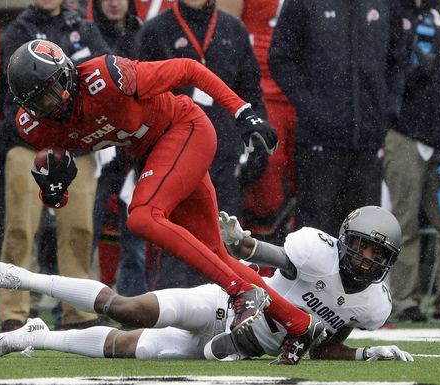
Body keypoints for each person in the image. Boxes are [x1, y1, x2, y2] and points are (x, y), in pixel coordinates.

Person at [5, 39, 324, 362]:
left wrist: (242, 112)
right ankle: (297, 323)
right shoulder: (35, 126)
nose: (52, 102)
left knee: (142, 216)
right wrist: (53, 189)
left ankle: (243, 293)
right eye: (40, 100)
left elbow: (189, 68)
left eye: (53, 88)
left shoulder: (108, 77)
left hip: (185, 128)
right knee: (216, 255)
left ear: (68, 73)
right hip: (158, 153)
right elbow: (58, 194)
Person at [0, 206, 413, 364]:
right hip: (227, 305)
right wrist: (244, 244)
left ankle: (37, 337)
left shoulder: (372, 305)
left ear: (387, 262)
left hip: (243, 348)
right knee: (129, 309)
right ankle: (22, 277)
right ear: (341, 241)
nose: (364, 259)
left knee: (130, 348)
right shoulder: (314, 252)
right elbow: (277, 259)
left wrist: (364, 353)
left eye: (376, 255)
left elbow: (321, 346)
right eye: (360, 247)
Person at [0, 0, 110, 332]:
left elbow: (99, 77)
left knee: (79, 230)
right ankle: (13, 311)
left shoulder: (84, 28)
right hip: (27, 143)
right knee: (20, 228)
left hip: (75, 145)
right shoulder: (20, 29)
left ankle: (78, 310)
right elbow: (9, 89)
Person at [136, 0, 266, 288]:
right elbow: (139, 99)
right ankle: (167, 313)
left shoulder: (233, 29)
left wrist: (256, 143)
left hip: (224, 154)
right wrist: (140, 157)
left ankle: (222, 309)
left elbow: (250, 90)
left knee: (220, 239)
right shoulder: (155, 31)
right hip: (172, 156)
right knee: (171, 239)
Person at [269, 0, 408, 236]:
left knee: (361, 236)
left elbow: (398, 59)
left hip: (367, 144)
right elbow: (280, 58)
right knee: (315, 235)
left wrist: (387, 111)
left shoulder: (386, 3)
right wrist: (312, 108)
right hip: (319, 144)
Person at [383, 0, 440, 322]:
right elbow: (386, 69)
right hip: (403, 132)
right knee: (404, 221)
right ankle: (405, 300)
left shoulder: (439, 18)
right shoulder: (391, 15)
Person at [218, 0, 297, 245]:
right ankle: (255, 267)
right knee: (265, 185)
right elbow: (221, 31)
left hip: (305, 91)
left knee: (308, 190)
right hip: (263, 91)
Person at [88, 0, 149, 296]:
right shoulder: (86, 33)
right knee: (87, 227)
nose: (113, 3)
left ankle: (134, 301)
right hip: (96, 143)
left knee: (136, 227)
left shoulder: (143, 34)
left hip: (134, 145)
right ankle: (79, 303)